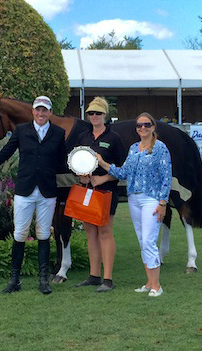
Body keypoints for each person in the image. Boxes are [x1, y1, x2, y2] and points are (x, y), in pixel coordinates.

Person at [0, 96, 67, 295]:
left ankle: (43, 280)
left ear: (49, 112)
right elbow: (3, 154)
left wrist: (82, 171)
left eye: (44, 110)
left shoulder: (58, 133)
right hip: (25, 190)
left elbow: (62, 161)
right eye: (37, 110)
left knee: (44, 234)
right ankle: (15, 280)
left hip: (47, 191)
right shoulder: (21, 131)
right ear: (33, 112)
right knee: (20, 234)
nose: (40, 113)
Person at [96, 112, 171, 297]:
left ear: (153, 127)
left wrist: (163, 203)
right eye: (139, 125)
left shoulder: (160, 148)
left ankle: (156, 286)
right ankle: (149, 282)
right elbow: (123, 173)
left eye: (146, 125)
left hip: (152, 199)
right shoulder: (133, 148)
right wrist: (102, 163)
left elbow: (166, 177)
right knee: (142, 241)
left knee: (148, 241)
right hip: (134, 199)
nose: (142, 128)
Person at [74, 97, 126, 293]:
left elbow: (123, 169)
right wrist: (81, 177)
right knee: (90, 233)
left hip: (106, 191)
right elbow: (76, 161)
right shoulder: (83, 137)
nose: (94, 116)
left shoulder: (114, 138)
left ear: (105, 115)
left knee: (104, 232)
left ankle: (108, 279)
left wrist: (103, 179)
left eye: (98, 113)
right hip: (87, 191)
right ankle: (94, 275)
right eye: (91, 113)